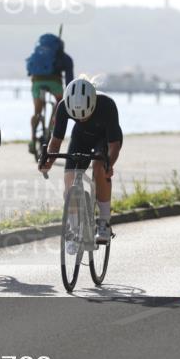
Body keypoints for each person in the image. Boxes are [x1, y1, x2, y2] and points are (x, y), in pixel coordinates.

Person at [39, 77, 122, 246]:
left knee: (99, 168)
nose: (82, 120)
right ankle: (75, 228)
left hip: (104, 139)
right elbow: (56, 141)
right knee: (69, 183)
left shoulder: (107, 105)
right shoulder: (63, 106)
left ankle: (104, 222)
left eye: (86, 115)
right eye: (78, 117)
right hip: (81, 138)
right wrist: (49, 160)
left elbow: (114, 145)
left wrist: (109, 164)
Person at [26, 33, 74, 153]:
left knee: (37, 112)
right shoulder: (64, 57)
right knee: (59, 102)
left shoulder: (39, 54)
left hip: (38, 82)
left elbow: (31, 71)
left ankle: (32, 139)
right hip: (54, 84)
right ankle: (53, 122)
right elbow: (69, 81)